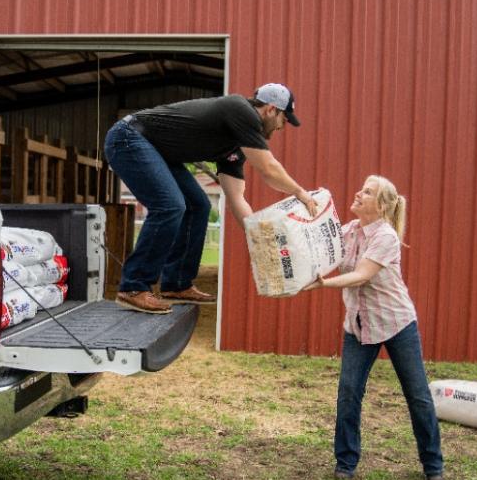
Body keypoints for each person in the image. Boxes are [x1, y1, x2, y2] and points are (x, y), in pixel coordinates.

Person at [104, 83, 317, 314]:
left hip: (157, 151)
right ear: (271, 110)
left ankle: (176, 284)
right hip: (129, 138)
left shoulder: (234, 146)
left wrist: (260, 242)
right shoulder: (240, 109)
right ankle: (134, 287)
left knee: (199, 206)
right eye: (283, 120)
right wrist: (300, 192)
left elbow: (237, 199)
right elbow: (268, 168)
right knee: (170, 206)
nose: (281, 127)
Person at [303, 175, 445, 480]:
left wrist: (324, 284)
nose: (358, 192)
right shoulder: (350, 231)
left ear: (380, 207)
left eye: (367, 192)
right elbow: (318, 243)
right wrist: (308, 208)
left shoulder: (386, 237)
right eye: (362, 188)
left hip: (396, 322)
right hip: (359, 324)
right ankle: (346, 462)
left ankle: (432, 464)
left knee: (418, 395)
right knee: (349, 391)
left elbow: (362, 276)